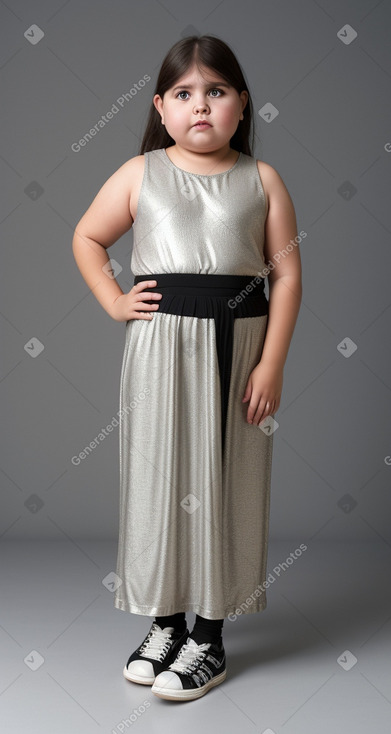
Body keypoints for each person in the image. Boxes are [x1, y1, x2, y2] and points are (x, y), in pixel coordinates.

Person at [72, 34, 302, 702]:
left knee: (225, 480)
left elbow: (285, 277)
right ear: (160, 107)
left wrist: (272, 364)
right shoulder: (140, 172)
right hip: (160, 346)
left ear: (240, 104)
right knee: (158, 478)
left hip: (238, 345)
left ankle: (209, 635)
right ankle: (164, 621)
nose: (199, 105)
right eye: (183, 94)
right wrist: (115, 298)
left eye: (216, 91)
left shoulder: (261, 180)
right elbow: (87, 237)